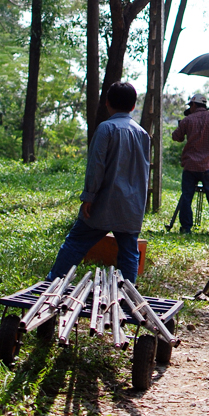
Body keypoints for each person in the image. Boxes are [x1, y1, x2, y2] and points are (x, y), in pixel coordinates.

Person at [48, 81, 150, 283]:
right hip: (131, 206)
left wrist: (89, 196)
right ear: (133, 106)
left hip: (105, 201)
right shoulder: (142, 134)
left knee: (76, 242)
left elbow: (96, 167)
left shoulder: (106, 128)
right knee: (129, 252)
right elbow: (143, 171)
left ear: (107, 102)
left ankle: (53, 282)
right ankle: (128, 293)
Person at [172, 93, 209, 235]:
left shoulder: (188, 120)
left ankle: (186, 228)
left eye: (190, 105)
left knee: (187, 197)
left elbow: (176, 137)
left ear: (194, 105)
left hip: (190, 165)